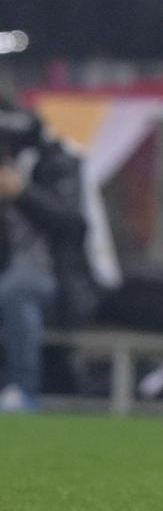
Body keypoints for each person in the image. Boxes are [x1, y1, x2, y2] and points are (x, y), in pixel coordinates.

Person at [0, 104, 87, 412]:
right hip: (9, 277)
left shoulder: (57, 162)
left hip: (58, 281)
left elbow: (72, 224)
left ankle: (23, 391)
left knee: (16, 289)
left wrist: (22, 193)